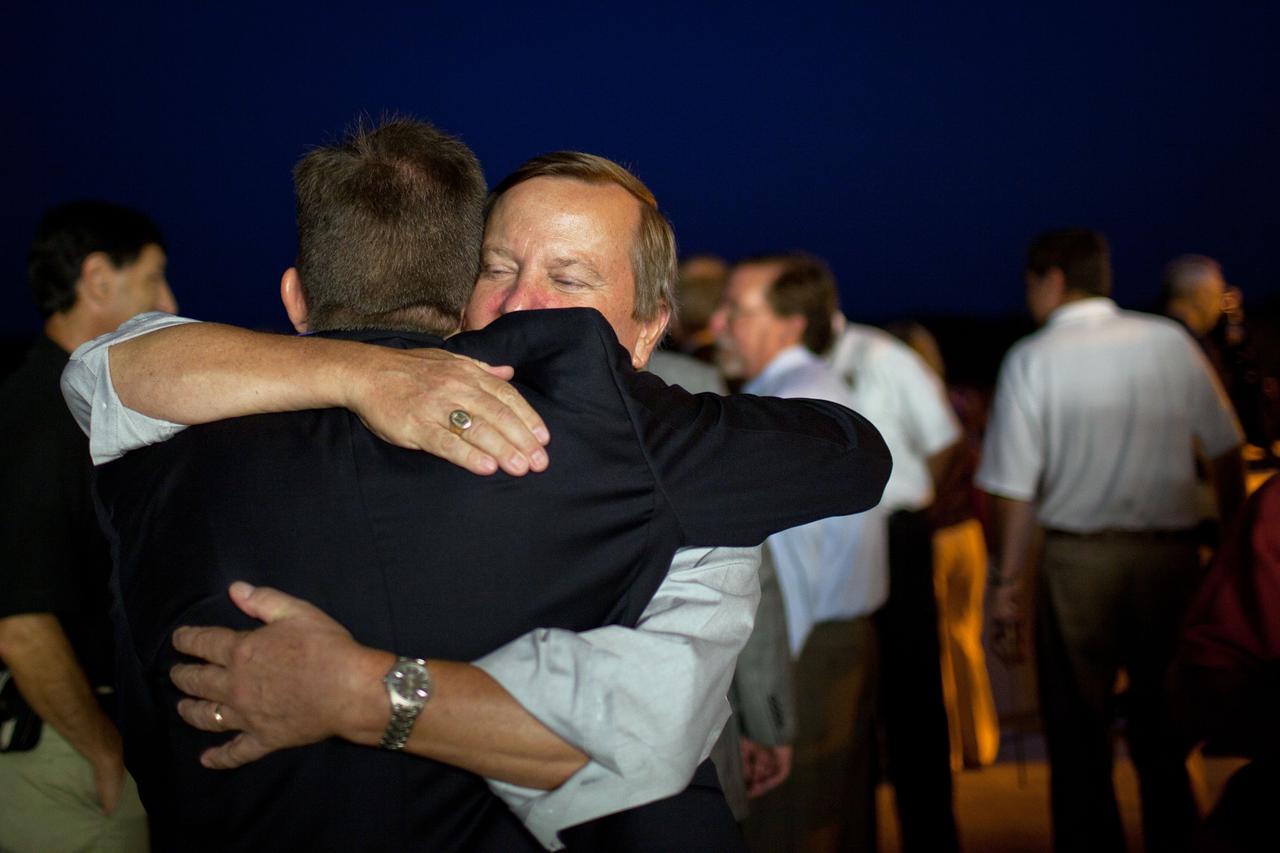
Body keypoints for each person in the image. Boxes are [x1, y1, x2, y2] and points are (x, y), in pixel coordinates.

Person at [63, 122, 892, 851]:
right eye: (498, 266)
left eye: (569, 281)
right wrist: (361, 372)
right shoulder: (326, 401)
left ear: (649, 328)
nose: (522, 304)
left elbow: (648, 722)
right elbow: (101, 373)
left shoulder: (668, 458)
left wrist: (358, 690)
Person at [977, 228, 1245, 853]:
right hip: (1169, 559)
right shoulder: (1168, 340)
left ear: (1051, 280)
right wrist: (1230, 545)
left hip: (1078, 563)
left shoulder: (1033, 357)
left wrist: (1006, 587)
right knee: (1167, 728)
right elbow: (1227, 448)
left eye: (1029, 284)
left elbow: (1014, 490)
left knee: (1077, 733)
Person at [0, 201, 174, 851]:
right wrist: (104, 750)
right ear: (98, 279)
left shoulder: (63, 404)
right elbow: (20, 624)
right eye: (154, 277)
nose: (169, 298)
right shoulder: (40, 418)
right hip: (55, 752)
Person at [712, 252, 888, 852]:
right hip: (831, 642)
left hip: (805, 651)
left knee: (790, 825)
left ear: (788, 325)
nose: (719, 324)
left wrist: (766, 705)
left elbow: (790, 571)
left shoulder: (785, 410)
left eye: (736, 309)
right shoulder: (814, 391)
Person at [827, 280, 962, 852]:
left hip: (898, 533)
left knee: (914, 695)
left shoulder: (881, 354)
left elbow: (945, 442)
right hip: (834, 540)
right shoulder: (788, 368)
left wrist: (921, 508)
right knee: (846, 698)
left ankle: (931, 836)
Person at [887, 320, 999, 771]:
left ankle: (946, 750)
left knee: (933, 647)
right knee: (966, 638)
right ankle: (981, 741)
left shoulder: (908, 406)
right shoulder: (961, 403)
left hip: (932, 536)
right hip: (968, 534)